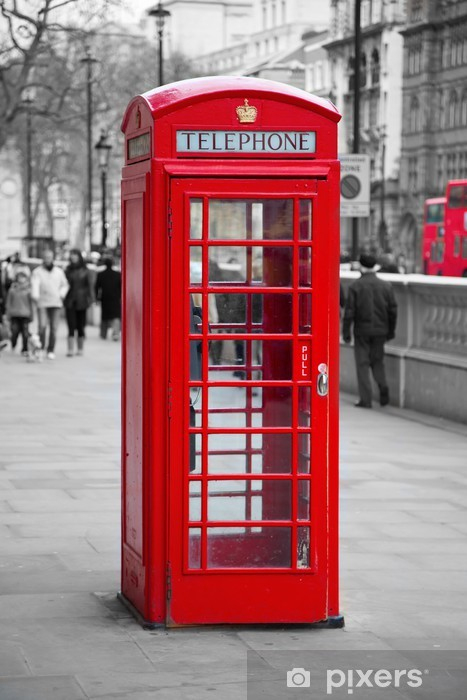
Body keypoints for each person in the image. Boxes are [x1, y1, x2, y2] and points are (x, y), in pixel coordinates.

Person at [343, 253, 397, 409]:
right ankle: (383, 386)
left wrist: (346, 333)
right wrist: (391, 331)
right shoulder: (386, 286)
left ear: (361, 266)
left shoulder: (355, 286)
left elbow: (349, 312)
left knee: (362, 365)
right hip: (381, 331)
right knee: (377, 362)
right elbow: (393, 310)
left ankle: (365, 400)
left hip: (362, 331)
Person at [31, 250, 69, 360]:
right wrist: (35, 296)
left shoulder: (58, 271)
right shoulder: (37, 272)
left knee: (54, 328)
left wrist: (61, 294)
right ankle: (40, 348)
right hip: (42, 302)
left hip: (56, 302)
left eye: (50, 257)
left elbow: (65, 285)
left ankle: (50, 349)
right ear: (43, 258)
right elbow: (35, 285)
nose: (48, 259)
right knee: (42, 326)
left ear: (53, 258)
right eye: (46, 257)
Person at [64, 249, 94, 356]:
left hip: (82, 301)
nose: (73, 257)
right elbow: (63, 285)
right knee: (71, 325)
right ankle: (70, 349)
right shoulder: (67, 270)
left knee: (81, 325)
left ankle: (80, 348)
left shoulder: (86, 270)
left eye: (75, 255)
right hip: (70, 300)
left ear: (79, 257)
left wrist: (91, 299)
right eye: (72, 255)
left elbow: (90, 286)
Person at [6, 271, 33, 355]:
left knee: (25, 334)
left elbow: (31, 304)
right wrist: (7, 315)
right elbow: (8, 303)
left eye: (23, 277)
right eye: (19, 277)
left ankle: (24, 349)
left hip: (25, 314)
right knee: (14, 332)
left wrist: (32, 315)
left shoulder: (29, 290)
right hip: (15, 314)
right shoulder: (12, 290)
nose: (21, 279)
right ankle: (13, 345)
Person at [95, 257, 121, 340]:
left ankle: (103, 333)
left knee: (104, 316)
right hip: (115, 298)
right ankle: (115, 333)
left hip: (105, 298)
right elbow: (121, 287)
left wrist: (97, 298)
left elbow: (97, 287)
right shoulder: (117, 275)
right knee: (116, 316)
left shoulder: (101, 274)